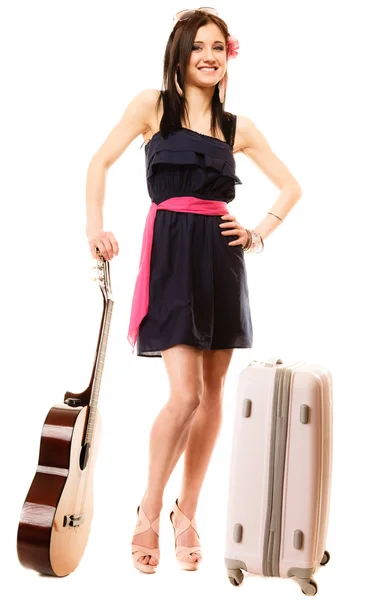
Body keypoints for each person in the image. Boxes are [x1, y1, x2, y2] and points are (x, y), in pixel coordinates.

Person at [85, 7, 302, 575]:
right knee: (184, 394)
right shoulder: (150, 107)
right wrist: (95, 227)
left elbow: (291, 186)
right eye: (198, 46)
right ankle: (149, 510)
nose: (209, 56)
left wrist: (256, 234)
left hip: (221, 258)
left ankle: (189, 512)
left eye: (217, 47)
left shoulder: (239, 127)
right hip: (171, 253)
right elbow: (98, 163)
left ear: (227, 56)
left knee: (213, 392)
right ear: (180, 54)